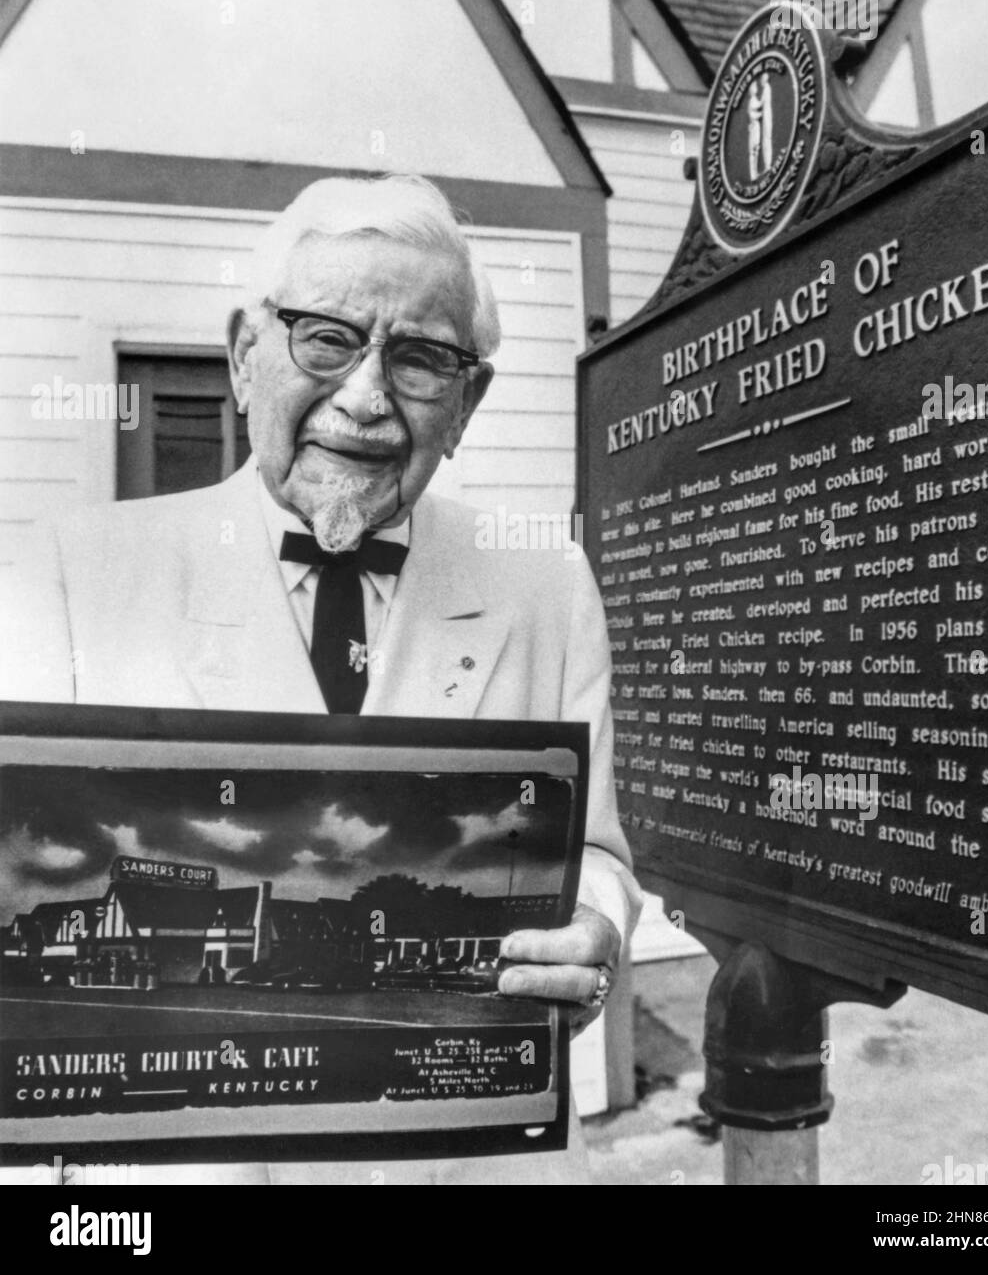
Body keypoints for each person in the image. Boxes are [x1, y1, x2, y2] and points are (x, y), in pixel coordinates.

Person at [0, 175, 641, 1185]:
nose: (366, 397)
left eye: (421, 358)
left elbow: (595, 852)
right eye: (325, 338)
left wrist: (595, 930)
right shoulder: (74, 571)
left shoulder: (543, 581)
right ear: (244, 357)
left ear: (466, 402)